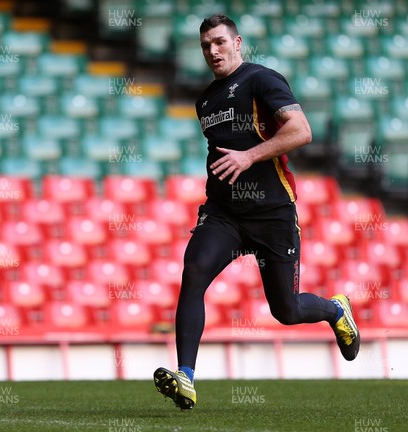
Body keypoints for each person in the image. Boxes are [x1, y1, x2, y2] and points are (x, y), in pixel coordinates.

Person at [153, 14, 360, 410]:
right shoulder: (205, 100)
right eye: (204, 46)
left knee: (286, 309)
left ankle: (336, 309)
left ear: (237, 42)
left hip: (272, 214)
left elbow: (301, 131)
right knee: (194, 271)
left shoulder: (262, 79)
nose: (212, 51)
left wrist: (249, 156)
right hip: (225, 214)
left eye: (218, 42)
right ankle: (186, 377)